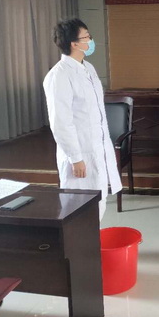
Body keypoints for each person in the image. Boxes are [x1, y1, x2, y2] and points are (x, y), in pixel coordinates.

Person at [43, 18, 122, 222]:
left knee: (99, 203)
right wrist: (76, 158)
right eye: (87, 37)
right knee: (79, 210)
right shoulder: (59, 76)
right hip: (80, 154)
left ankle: (95, 242)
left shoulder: (88, 68)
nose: (91, 40)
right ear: (74, 44)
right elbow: (61, 123)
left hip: (97, 149)